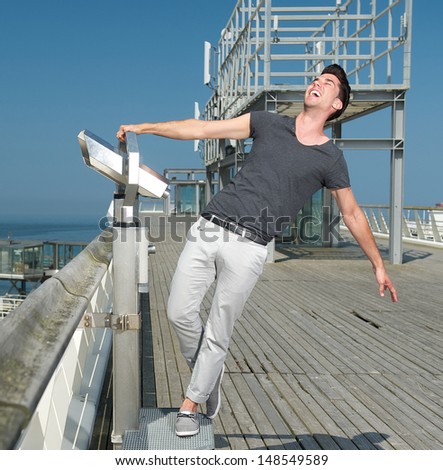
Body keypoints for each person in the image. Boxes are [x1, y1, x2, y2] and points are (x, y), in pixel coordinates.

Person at [117, 64, 398, 437]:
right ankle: (209, 379)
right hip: (210, 228)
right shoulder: (267, 123)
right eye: (317, 78)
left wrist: (378, 264)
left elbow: (351, 213)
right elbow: (201, 129)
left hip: (250, 247)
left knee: (219, 329)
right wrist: (145, 128)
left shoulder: (330, 159)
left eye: (327, 83)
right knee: (178, 312)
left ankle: (192, 402)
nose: (317, 83)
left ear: (336, 104)